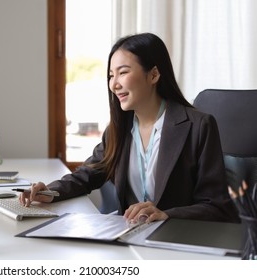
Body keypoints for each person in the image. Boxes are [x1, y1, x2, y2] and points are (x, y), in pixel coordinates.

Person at [20, 32, 238, 223]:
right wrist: (49, 192)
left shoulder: (198, 126)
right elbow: (86, 175)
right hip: (130, 237)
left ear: (153, 75)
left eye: (123, 72)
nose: (114, 84)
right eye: (111, 75)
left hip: (178, 241)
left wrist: (167, 214)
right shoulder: (119, 129)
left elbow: (217, 207)